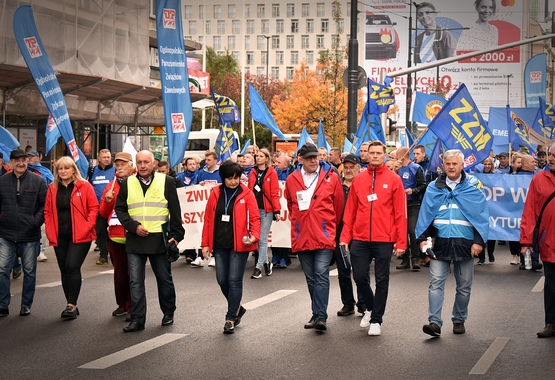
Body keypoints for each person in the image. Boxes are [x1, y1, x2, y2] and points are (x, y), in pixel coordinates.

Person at [416, 149, 489, 337]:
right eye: (448, 164)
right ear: (443, 165)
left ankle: (459, 319)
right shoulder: (433, 187)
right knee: (435, 282)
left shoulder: (473, 186)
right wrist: (422, 240)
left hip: (465, 243)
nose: (451, 167)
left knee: (464, 286)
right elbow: (425, 214)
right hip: (440, 243)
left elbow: (481, 214)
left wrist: (479, 241)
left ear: (462, 165)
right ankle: (434, 322)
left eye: (454, 164)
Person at [340, 141, 407, 336]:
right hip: (360, 238)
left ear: (385, 155)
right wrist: (345, 236)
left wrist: (401, 242)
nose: (376, 156)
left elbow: (400, 214)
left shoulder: (394, 180)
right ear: (367, 155)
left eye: (379, 153)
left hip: (384, 238)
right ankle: (369, 308)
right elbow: (350, 211)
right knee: (359, 276)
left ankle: (377, 319)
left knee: (382, 280)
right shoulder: (359, 180)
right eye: (372, 153)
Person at [115, 150, 185, 332]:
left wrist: (176, 236)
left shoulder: (166, 181)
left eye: (146, 162)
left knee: (164, 279)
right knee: (135, 282)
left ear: (153, 163)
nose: (143, 166)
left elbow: (175, 211)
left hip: (159, 239)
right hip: (135, 238)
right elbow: (120, 209)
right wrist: (133, 226)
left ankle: (168, 312)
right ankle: (138, 319)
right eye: (140, 162)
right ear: (135, 165)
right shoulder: (127, 183)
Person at [285, 144, 344, 333]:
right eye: (309, 157)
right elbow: (290, 203)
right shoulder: (292, 179)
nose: (313, 160)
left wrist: (328, 227)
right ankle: (316, 312)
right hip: (302, 235)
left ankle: (320, 316)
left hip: (324, 235)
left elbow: (338, 206)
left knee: (321, 274)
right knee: (311, 278)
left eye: (316, 157)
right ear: (300, 159)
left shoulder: (331, 178)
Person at [201, 161, 261, 334]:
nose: (234, 182)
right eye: (230, 178)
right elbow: (208, 219)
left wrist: (254, 236)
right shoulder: (215, 193)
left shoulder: (247, 193)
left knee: (234, 280)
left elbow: (255, 219)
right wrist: (205, 244)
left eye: (236, 178)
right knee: (222, 280)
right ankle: (238, 308)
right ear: (223, 178)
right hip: (219, 244)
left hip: (239, 244)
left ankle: (230, 318)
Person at [44, 156, 98, 319]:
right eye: (60, 169)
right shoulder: (52, 188)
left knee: (72, 266)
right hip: (60, 235)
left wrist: (87, 226)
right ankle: (70, 302)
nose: (63, 171)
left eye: (66, 168)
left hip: (80, 235)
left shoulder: (84, 186)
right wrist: (49, 228)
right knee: (64, 269)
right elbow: (47, 211)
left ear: (73, 169)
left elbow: (93, 208)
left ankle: (71, 305)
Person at [0, 149, 47, 317]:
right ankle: (2, 304)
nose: (21, 163)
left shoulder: (38, 181)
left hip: (29, 234)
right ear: (11, 163)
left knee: (29, 271)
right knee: (3, 269)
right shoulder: (2, 181)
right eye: (17, 160)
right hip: (6, 232)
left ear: (27, 161)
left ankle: (26, 304)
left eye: (23, 160)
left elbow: (44, 205)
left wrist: (36, 222)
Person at [519, 144, 555, 337]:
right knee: (551, 285)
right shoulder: (539, 179)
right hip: (549, 241)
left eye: (554, 155)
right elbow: (530, 211)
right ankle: (551, 323)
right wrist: (525, 241)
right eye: (550, 155)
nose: (551, 158)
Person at [99, 152, 135, 319]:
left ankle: (132, 306)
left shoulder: (136, 182)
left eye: (123, 164)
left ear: (131, 165)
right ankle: (122, 303)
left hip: (133, 234)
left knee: (133, 273)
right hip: (115, 235)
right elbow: (103, 212)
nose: (119, 167)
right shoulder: (111, 185)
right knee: (120, 273)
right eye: (117, 164)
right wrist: (107, 201)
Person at [334, 154, 366, 317]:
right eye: (345, 167)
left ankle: (363, 302)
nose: (348, 170)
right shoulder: (337, 185)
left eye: (351, 167)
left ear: (358, 168)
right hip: (340, 233)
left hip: (359, 233)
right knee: (343, 270)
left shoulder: (363, 185)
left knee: (360, 271)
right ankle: (348, 303)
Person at [248, 148, 281, 279]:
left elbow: (274, 193)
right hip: (254, 210)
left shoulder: (272, 173)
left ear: (267, 159)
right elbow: (249, 190)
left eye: (261, 156)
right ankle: (267, 263)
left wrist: (277, 210)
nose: (258, 158)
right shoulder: (252, 172)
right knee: (257, 239)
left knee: (262, 239)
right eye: (257, 156)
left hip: (266, 210)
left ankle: (258, 267)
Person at [395, 147, 427, 270]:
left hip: (413, 203)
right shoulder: (397, 170)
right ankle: (405, 259)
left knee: (412, 231)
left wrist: (413, 191)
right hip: (400, 204)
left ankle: (415, 258)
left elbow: (423, 185)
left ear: (402, 155)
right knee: (402, 232)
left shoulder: (416, 168)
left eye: (397, 155)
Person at [88, 149, 115, 265]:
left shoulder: (115, 170)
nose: (106, 159)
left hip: (113, 208)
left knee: (114, 231)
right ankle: (103, 255)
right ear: (99, 159)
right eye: (104, 157)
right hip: (98, 207)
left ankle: (114, 254)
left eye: (108, 157)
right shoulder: (93, 170)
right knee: (101, 231)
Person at [27, 150, 52, 262]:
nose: (30, 159)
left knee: (42, 228)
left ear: (38, 158)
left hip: (41, 202)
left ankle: (41, 251)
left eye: (33, 157)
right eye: (29, 156)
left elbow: (52, 184)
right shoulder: (24, 170)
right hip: (27, 203)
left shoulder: (44, 171)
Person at [478, 157, 497, 265]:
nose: (487, 166)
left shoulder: (495, 177)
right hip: (481, 207)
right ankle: (481, 257)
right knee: (481, 231)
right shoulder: (479, 176)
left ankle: (490, 252)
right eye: (485, 164)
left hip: (493, 207)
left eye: (489, 164)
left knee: (492, 231)